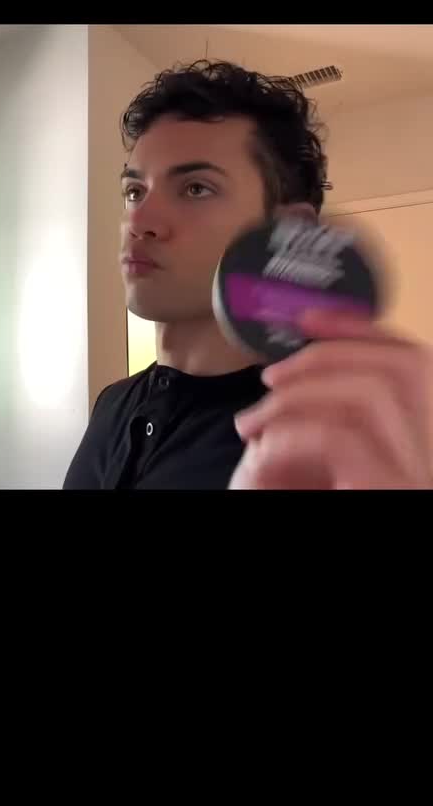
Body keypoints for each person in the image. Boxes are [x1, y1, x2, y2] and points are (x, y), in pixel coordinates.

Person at [64, 60, 433, 490]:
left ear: (288, 230)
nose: (139, 221)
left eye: (195, 188)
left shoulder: (326, 439)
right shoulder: (111, 403)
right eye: (134, 191)